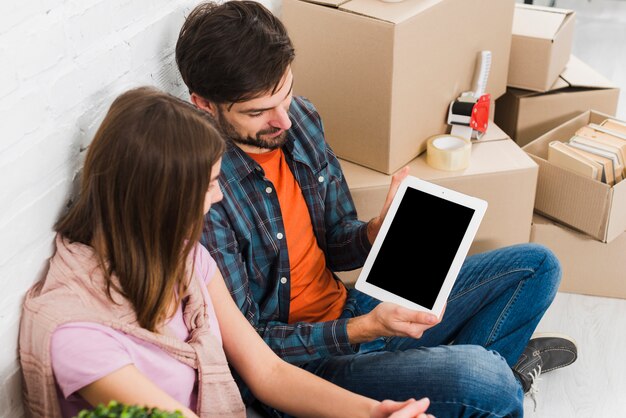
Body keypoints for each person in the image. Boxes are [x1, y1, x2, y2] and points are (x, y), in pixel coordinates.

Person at [174, 1, 578, 417]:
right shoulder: (203, 194)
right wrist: (363, 329)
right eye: (259, 112)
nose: (284, 121)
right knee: (486, 379)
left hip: (354, 307)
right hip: (309, 365)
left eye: (286, 95)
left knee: (538, 267)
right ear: (204, 104)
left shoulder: (303, 118)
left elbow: (336, 242)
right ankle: (499, 380)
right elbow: (253, 349)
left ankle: (472, 383)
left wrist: (375, 231)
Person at [18, 87, 435, 418]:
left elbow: (268, 371)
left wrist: (374, 413)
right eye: (209, 184)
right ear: (158, 201)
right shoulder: (79, 335)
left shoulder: (185, 258)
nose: (217, 197)